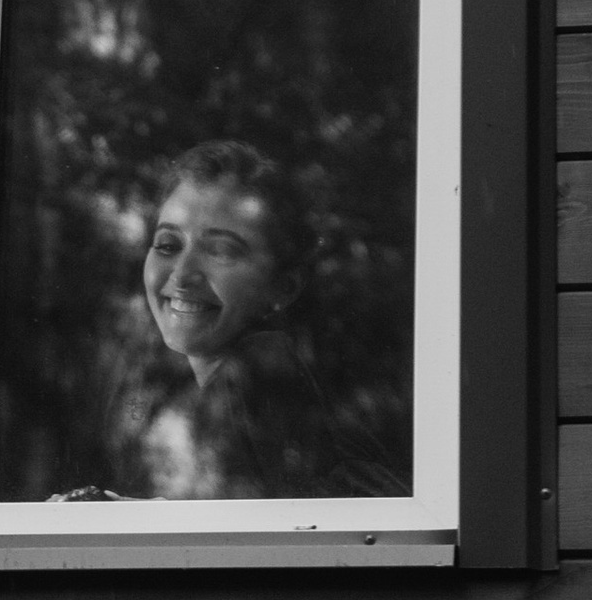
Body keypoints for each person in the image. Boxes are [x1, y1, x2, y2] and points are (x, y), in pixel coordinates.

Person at [97, 136, 406, 502]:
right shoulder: (196, 386)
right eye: (167, 245)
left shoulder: (258, 376)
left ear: (282, 288)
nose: (182, 274)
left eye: (221, 250)